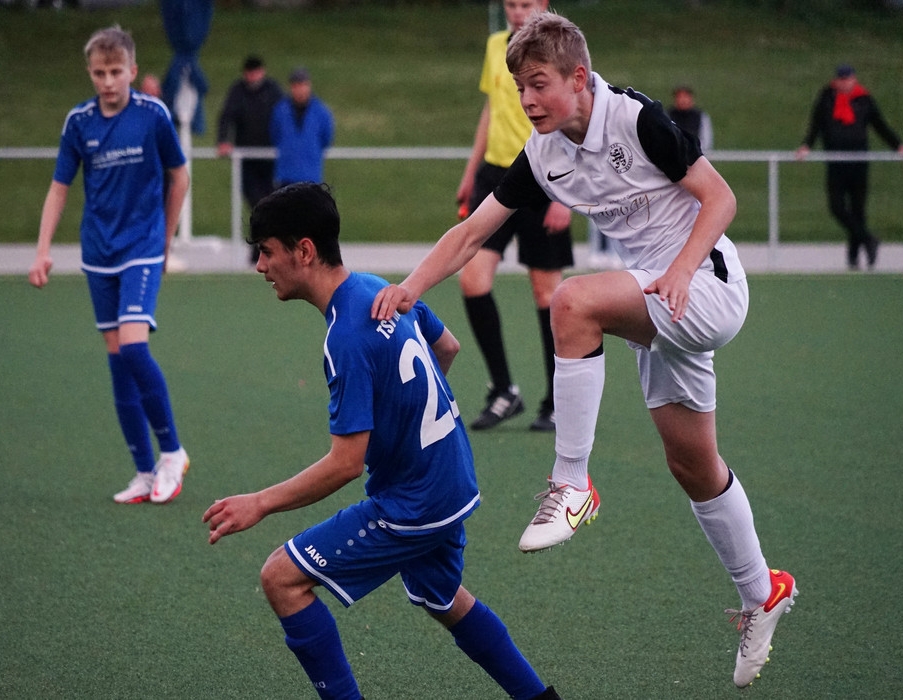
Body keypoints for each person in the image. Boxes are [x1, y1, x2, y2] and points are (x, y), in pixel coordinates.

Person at [372, 13, 796, 688]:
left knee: (571, 302)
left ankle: (572, 483)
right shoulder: (543, 153)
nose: (528, 99)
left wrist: (681, 270)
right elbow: (473, 232)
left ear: (578, 77)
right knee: (693, 465)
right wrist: (410, 286)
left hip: (706, 285)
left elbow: (720, 198)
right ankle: (761, 592)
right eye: (520, 88)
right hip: (655, 299)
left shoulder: (636, 119)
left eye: (539, 83)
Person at [202, 183, 561, 700]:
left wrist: (259, 503)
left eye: (266, 251)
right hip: (452, 477)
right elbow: (448, 346)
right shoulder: (377, 288)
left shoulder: (345, 339)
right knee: (443, 597)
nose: (260, 265)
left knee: (281, 578)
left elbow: (346, 464)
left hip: (414, 500)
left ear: (304, 251)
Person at [29, 25, 191, 505]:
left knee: (135, 348)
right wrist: (42, 249)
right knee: (118, 360)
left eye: (116, 71)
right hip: (99, 253)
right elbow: (59, 187)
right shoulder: (79, 122)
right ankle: (143, 471)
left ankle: (173, 452)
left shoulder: (152, 115)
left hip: (142, 246)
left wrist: (164, 241)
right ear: (90, 73)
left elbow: (179, 175)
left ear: (132, 71)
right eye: (99, 73)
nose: (107, 81)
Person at [455, 0, 574, 432]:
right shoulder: (496, 47)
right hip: (496, 176)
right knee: (472, 279)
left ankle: (558, 401)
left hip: (545, 177)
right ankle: (504, 390)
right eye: (511, 4)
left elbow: (573, 116)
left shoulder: (559, 50)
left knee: (548, 295)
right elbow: (491, 110)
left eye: (526, 4)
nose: (518, 11)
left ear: (542, 4)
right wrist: (471, 172)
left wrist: (566, 197)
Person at [795, 64, 903, 270]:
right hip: (836, 163)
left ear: (853, 79)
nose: (844, 83)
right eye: (841, 79)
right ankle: (869, 239)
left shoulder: (864, 99)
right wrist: (807, 145)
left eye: (848, 79)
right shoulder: (827, 97)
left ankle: (853, 257)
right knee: (837, 207)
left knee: (858, 210)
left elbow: (879, 125)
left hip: (859, 162)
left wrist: (898, 146)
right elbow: (816, 123)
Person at [216, 55, 284, 263]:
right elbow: (226, 116)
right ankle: (260, 249)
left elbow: (284, 118)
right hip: (246, 161)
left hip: (270, 160)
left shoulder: (273, 91)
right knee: (257, 204)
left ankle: (266, 250)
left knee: (270, 205)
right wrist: (223, 140)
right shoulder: (238, 91)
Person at [270, 67, 335, 188]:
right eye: (296, 86)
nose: (299, 90)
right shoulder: (280, 110)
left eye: (302, 85)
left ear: (309, 85)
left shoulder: (321, 111)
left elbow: (326, 138)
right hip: (285, 175)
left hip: (311, 176)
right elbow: (274, 134)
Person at [668, 85, 713, 151]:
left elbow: (706, 140)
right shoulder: (667, 116)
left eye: (685, 97)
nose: (682, 100)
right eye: (679, 97)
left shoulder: (701, 116)